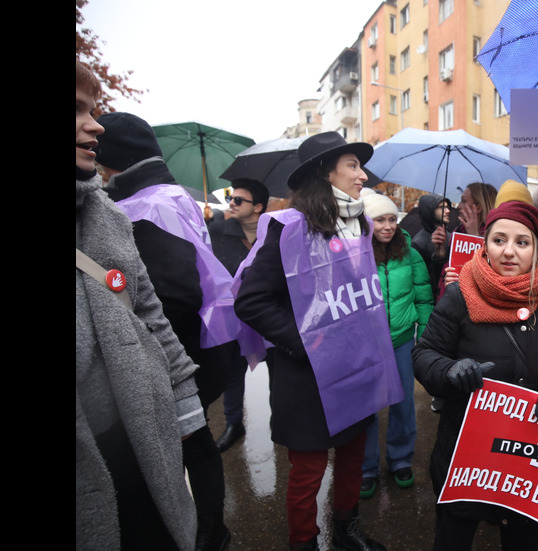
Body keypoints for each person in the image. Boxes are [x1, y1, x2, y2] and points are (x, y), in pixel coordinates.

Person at [234, 132, 397, 551]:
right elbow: (252, 302)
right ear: (326, 172)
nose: (362, 175)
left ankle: (347, 530)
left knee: (353, 458)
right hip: (305, 374)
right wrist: (305, 342)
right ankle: (304, 542)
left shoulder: (359, 220)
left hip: (354, 365)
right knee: (307, 472)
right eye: (352, 166)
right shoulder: (287, 230)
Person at [95, 111, 240, 551]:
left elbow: (175, 290)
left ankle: (209, 534)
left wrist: (156, 357)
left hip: (176, 353)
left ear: (114, 160)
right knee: (195, 442)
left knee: (189, 444)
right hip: (203, 344)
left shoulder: (143, 207)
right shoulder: (169, 195)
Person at [76, 60, 205, 551]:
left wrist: (185, 400)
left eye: (92, 109)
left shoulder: (108, 215)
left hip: (141, 434)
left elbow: (151, 309)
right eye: (78, 111)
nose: (96, 125)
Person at [413, 201, 538, 551]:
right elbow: (424, 354)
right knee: (454, 533)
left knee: (523, 537)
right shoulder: (459, 295)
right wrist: (450, 370)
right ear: (485, 244)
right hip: (467, 449)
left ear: (537, 250)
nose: (509, 251)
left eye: (522, 243)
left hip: (530, 453)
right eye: (499, 240)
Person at [358, 190, 434, 498]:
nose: (388, 226)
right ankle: (366, 468)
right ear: (366, 222)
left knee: (403, 405)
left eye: (392, 219)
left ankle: (401, 459)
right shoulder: (356, 253)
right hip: (367, 344)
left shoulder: (410, 252)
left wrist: (425, 337)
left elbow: (423, 295)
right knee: (366, 409)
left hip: (402, 341)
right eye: (380, 220)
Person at [209, 177, 270, 452]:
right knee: (232, 372)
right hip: (232, 317)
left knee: (281, 370)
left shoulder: (274, 233)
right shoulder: (218, 232)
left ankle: (281, 419)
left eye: (238, 200)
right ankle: (234, 422)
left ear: (257, 207)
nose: (231, 203)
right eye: (230, 199)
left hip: (270, 315)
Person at [411, 193, 452, 299]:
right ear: (429, 211)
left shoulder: (451, 235)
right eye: (441, 207)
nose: (447, 211)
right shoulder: (418, 242)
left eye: (447, 207)